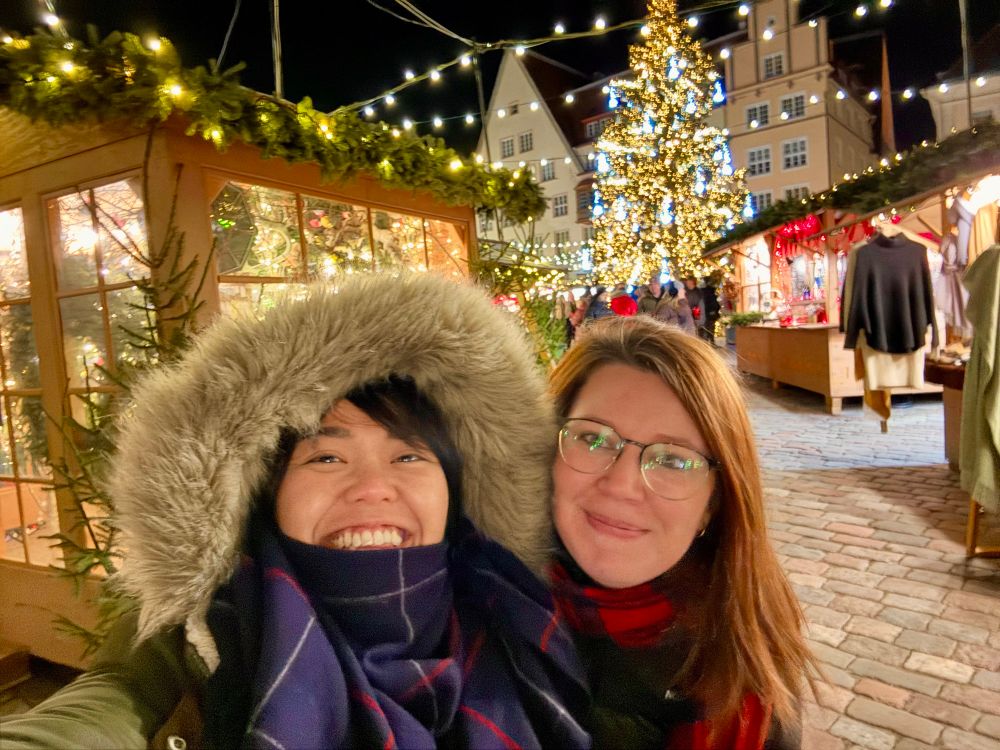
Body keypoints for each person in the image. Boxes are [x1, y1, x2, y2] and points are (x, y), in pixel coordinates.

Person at [0, 274, 588, 750]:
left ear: (455, 490)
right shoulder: (194, 650)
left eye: (409, 454)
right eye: (326, 457)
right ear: (269, 494)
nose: (371, 488)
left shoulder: (525, 626)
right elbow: (96, 714)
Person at [547, 315, 815, 750]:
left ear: (713, 501)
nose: (622, 485)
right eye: (593, 439)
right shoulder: (475, 608)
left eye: (673, 460)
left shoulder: (741, 667)